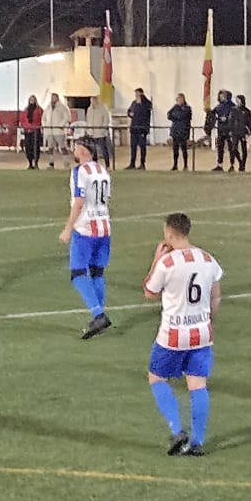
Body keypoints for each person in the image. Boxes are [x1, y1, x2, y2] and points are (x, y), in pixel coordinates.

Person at [143, 212, 222, 457]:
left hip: (173, 334)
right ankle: (197, 441)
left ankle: (178, 430)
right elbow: (216, 295)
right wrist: (208, 321)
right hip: (202, 332)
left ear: (168, 233)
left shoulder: (168, 263)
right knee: (197, 384)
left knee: (156, 378)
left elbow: (149, 291)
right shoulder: (208, 259)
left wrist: (156, 259)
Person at [61, 138, 114, 338]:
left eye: (76, 146)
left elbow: (79, 201)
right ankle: (98, 318)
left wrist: (68, 228)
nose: (73, 149)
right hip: (104, 227)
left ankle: (98, 314)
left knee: (78, 274)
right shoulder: (103, 171)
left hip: (85, 229)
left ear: (83, 150)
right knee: (97, 273)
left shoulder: (79, 171)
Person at [206, 91, 236, 172]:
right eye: (220, 96)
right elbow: (213, 115)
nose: (221, 97)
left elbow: (234, 116)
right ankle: (220, 165)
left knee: (231, 148)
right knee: (220, 147)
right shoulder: (219, 106)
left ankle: (232, 164)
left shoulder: (232, 106)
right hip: (221, 129)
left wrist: (227, 119)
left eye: (223, 96)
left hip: (229, 129)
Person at [126, 88, 154, 171]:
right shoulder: (134, 103)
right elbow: (129, 111)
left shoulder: (146, 103)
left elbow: (147, 110)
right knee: (133, 146)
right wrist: (130, 114)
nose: (136, 95)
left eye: (138, 93)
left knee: (142, 147)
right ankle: (132, 163)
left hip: (142, 128)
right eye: (136, 94)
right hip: (134, 127)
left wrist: (141, 102)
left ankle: (142, 163)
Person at [167, 94, 194, 171]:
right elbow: (169, 115)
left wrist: (175, 115)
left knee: (184, 149)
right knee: (175, 149)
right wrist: (175, 115)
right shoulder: (175, 107)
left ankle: (185, 165)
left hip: (183, 131)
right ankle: (175, 165)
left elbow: (181, 116)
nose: (179, 101)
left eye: (180, 99)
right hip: (175, 131)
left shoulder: (187, 108)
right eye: (178, 99)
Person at [19, 95, 44, 170]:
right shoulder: (26, 110)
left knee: (36, 147)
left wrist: (35, 127)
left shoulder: (39, 110)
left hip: (35, 131)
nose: (31, 101)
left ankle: (36, 163)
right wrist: (26, 127)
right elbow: (22, 120)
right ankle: (30, 163)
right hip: (27, 131)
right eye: (30, 100)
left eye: (33, 100)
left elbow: (41, 119)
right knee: (28, 147)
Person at [234, 95, 251, 171]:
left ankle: (243, 165)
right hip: (235, 132)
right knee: (234, 148)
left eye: (238, 100)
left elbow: (250, 123)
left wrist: (248, 132)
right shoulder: (234, 110)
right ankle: (240, 162)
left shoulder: (247, 111)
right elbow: (232, 121)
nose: (237, 101)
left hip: (243, 132)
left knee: (244, 149)